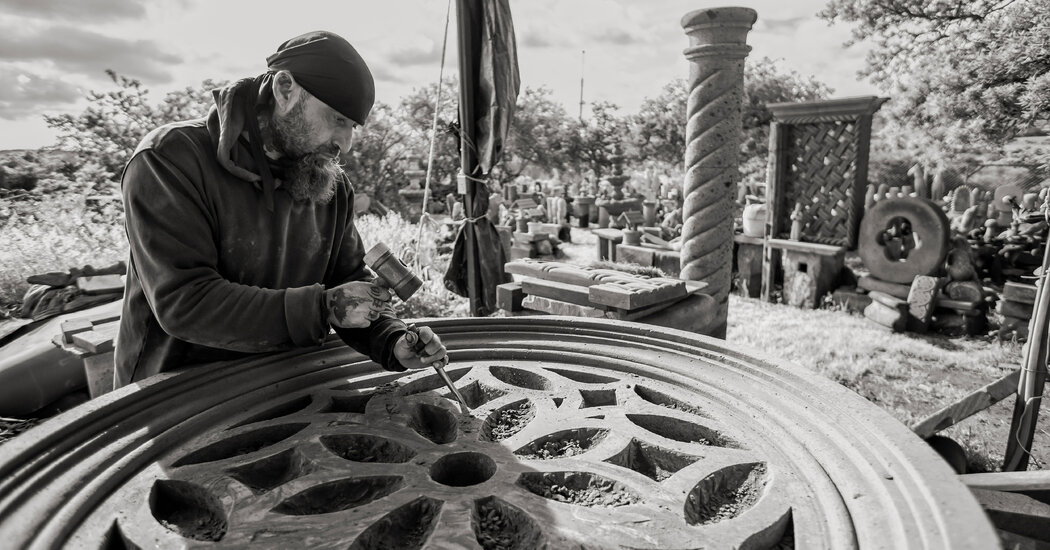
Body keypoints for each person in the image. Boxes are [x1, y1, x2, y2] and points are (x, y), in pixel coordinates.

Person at [114, 31, 446, 387]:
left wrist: (392, 340)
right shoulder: (170, 161)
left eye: (352, 127)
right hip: (174, 398)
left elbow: (347, 279)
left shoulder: (327, 182)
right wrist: (321, 307)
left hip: (283, 388)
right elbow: (186, 302)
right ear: (285, 89)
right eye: (337, 119)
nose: (345, 144)